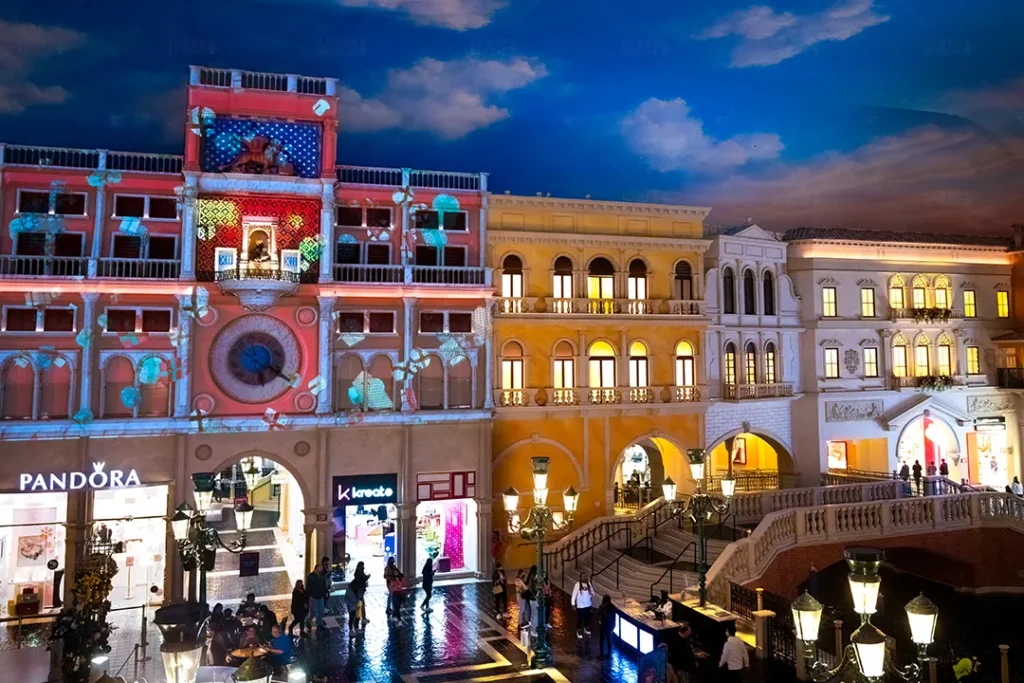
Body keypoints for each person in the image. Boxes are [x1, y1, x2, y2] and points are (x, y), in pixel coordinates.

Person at [571, 573, 595, 638]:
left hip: (588, 604)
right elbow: (574, 595)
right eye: (582, 576)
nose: (584, 578)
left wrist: (591, 593)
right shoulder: (577, 585)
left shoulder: (588, 584)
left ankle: (585, 628)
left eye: (585, 576)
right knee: (580, 619)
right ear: (580, 577)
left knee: (587, 618)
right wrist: (573, 604)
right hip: (580, 606)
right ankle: (578, 631)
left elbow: (593, 593)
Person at [306, 563, 327, 629]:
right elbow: (309, 588)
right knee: (313, 611)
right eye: (320, 568)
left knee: (321, 610)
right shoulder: (311, 577)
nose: (321, 569)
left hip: (320, 596)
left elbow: (323, 585)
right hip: (314, 597)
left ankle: (319, 623)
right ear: (317, 568)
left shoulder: (321, 576)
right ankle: (308, 621)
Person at [598, 594, 616, 659]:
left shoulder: (602, 607)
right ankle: (609, 654)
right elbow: (614, 616)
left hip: (604, 625)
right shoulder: (613, 607)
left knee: (602, 640)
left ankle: (602, 655)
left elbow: (599, 616)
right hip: (611, 625)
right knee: (609, 639)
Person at [526, 565, 540, 634]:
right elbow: (535, 591)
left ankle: (532, 629)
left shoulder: (530, 579)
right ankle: (534, 630)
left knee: (532, 614)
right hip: (534, 599)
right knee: (535, 615)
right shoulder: (535, 583)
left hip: (531, 599)